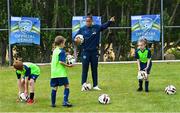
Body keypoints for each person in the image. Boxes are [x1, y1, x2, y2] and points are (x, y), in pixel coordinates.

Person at [74, 13, 115, 91]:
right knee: (85, 69)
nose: (87, 23)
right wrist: (76, 40)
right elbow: (75, 38)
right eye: (86, 21)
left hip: (94, 52)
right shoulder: (82, 29)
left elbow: (104, 26)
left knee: (94, 69)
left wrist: (110, 21)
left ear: (92, 21)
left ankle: (95, 85)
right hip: (85, 52)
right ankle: (83, 85)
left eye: (89, 21)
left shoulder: (96, 27)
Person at [50, 35, 73, 107]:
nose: (64, 44)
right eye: (64, 43)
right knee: (67, 86)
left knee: (54, 87)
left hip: (53, 73)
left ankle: (53, 104)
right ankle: (65, 101)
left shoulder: (55, 50)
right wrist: (68, 65)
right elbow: (60, 62)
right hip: (61, 73)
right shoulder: (61, 51)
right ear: (61, 43)